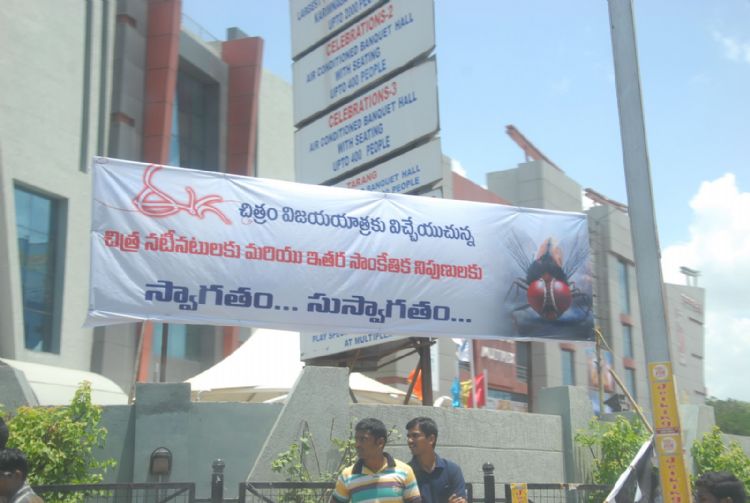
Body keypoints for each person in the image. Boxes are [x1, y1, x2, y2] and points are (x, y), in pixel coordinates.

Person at [331, 418, 421, 503]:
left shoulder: (404, 471)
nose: (357, 445)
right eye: (356, 439)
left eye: (363, 439)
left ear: (380, 442)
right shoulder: (348, 475)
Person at [406, 417, 466, 503]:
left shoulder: (452, 470)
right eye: (408, 436)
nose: (409, 441)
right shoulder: (406, 473)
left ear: (431, 439)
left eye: (415, 436)